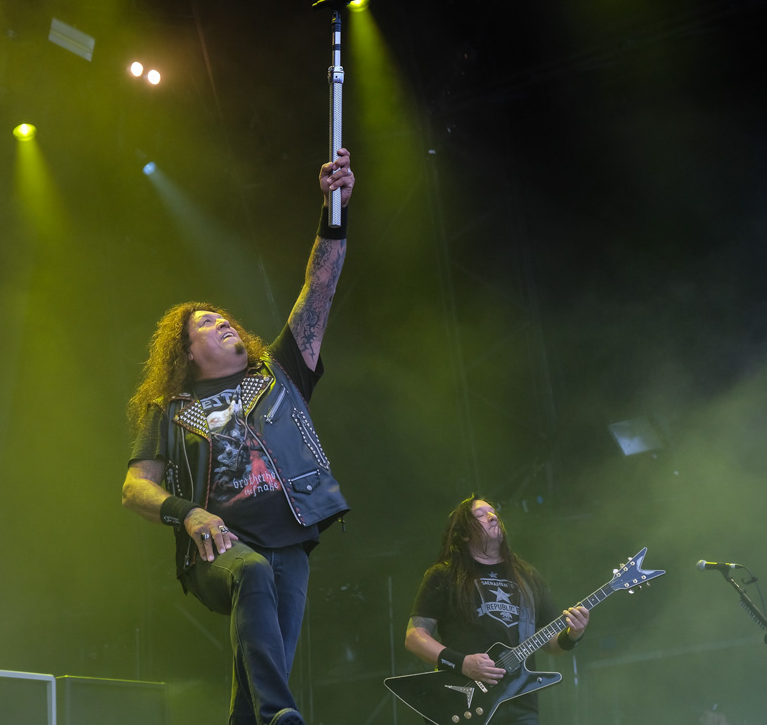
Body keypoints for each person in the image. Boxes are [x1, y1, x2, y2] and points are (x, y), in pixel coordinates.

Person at [122, 149, 356, 725]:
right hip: (216, 546)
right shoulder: (168, 409)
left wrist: (334, 210)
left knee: (260, 675)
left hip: (289, 537)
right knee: (250, 574)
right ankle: (283, 715)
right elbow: (135, 488)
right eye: (204, 322)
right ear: (185, 352)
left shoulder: (281, 372)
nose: (221, 320)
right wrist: (189, 515)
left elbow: (319, 287)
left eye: (221, 315)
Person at [404, 495, 590, 725]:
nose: (492, 517)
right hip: (463, 702)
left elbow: (552, 645)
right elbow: (414, 637)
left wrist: (573, 635)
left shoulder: (527, 576)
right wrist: (462, 663)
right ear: (465, 534)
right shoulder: (444, 575)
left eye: (493, 512)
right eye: (480, 515)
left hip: (520, 704)